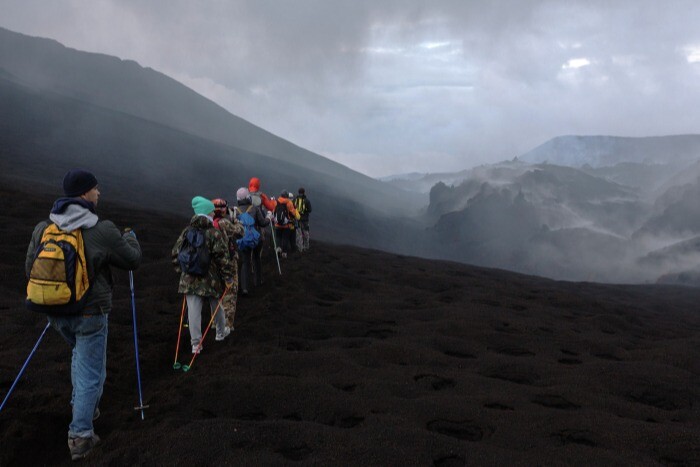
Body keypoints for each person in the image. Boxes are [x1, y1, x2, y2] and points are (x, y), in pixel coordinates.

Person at [25, 169, 141, 461]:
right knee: (91, 372)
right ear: (84, 194)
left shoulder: (44, 228)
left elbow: (30, 269)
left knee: (82, 360)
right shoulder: (101, 229)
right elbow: (132, 260)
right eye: (95, 188)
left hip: (55, 313)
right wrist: (131, 239)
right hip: (90, 314)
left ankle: (83, 406)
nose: (99, 192)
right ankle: (81, 436)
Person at [171, 196, 234, 354]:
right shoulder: (214, 233)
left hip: (189, 279)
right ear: (207, 213)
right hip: (210, 279)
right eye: (211, 211)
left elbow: (175, 253)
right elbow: (223, 258)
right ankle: (220, 333)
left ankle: (195, 345)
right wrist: (228, 277)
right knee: (216, 306)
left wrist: (183, 272)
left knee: (193, 311)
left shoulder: (187, 231)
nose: (214, 213)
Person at [211, 198, 243, 329]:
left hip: (214, 262)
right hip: (228, 262)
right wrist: (236, 219)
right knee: (229, 293)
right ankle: (227, 325)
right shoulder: (224, 223)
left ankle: (215, 322)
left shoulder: (210, 222)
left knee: (217, 292)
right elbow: (240, 232)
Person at [234, 187, 270, 294]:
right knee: (256, 258)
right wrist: (268, 216)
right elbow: (263, 223)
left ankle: (245, 288)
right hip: (256, 238)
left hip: (242, 240)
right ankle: (258, 281)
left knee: (245, 261)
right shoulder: (254, 208)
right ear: (248, 197)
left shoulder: (235, 211)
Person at [273, 190, 300, 258]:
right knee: (285, 238)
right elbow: (293, 213)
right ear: (287, 196)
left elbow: (273, 211)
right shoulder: (289, 202)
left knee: (278, 237)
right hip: (286, 225)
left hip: (277, 224)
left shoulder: (276, 201)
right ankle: (284, 253)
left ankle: (278, 248)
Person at [293, 187, 312, 252]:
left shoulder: (295, 199)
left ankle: (300, 248)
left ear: (298, 192)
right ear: (304, 192)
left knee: (299, 233)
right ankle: (306, 247)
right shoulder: (307, 201)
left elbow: (292, 208)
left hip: (297, 219)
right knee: (306, 233)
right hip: (305, 220)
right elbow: (310, 210)